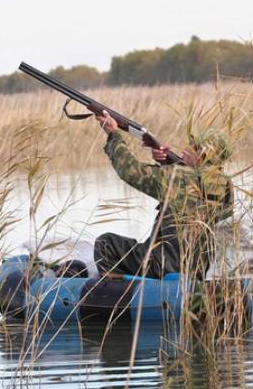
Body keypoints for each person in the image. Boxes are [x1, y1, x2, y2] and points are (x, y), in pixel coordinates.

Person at [93, 111, 233, 280]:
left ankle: (119, 294)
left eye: (193, 146)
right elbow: (195, 189)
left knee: (105, 244)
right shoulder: (225, 185)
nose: (185, 149)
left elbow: (129, 170)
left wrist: (113, 134)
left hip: (162, 266)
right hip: (197, 270)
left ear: (203, 155)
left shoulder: (175, 176)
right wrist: (167, 163)